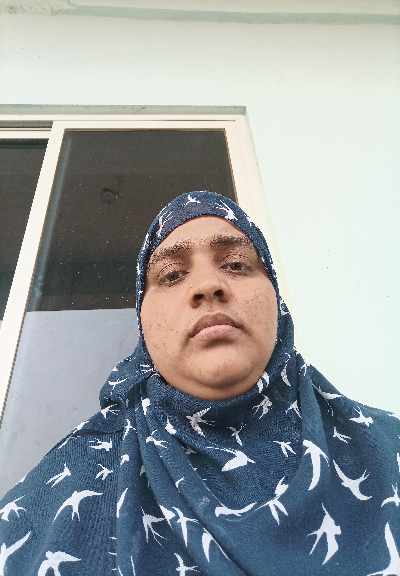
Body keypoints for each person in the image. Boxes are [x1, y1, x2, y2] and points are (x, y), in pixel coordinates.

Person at [0, 190, 399, 576]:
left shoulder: (389, 449)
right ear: (142, 324)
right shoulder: (42, 509)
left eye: (236, 264)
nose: (208, 286)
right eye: (172, 274)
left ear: (277, 300)